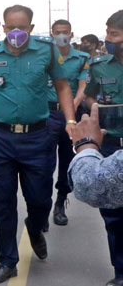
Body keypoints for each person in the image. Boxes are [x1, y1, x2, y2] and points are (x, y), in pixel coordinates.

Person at [0, 4, 76, 285]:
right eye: (11, 27)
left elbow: (63, 86)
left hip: (37, 137)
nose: (17, 32)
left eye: (22, 27)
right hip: (0, 137)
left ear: (30, 27)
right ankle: (8, 261)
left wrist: (70, 120)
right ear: (4, 28)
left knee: (39, 198)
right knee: (3, 202)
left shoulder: (47, 51)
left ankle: (35, 227)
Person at [83, 10, 123, 286]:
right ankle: (120, 272)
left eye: (113, 35)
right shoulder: (100, 67)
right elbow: (89, 95)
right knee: (115, 215)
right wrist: (93, 106)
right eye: (108, 33)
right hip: (112, 145)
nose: (107, 39)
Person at [46, 19, 89, 227]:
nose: (61, 35)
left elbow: (83, 85)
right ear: (51, 34)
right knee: (42, 162)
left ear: (72, 35)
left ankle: (60, 201)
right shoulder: (44, 56)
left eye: (65, 32)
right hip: (46, 114)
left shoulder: (82, 58)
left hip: (71, 114)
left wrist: (71, 106)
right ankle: (40, 207)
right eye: (57, 32)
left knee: (66, 160)